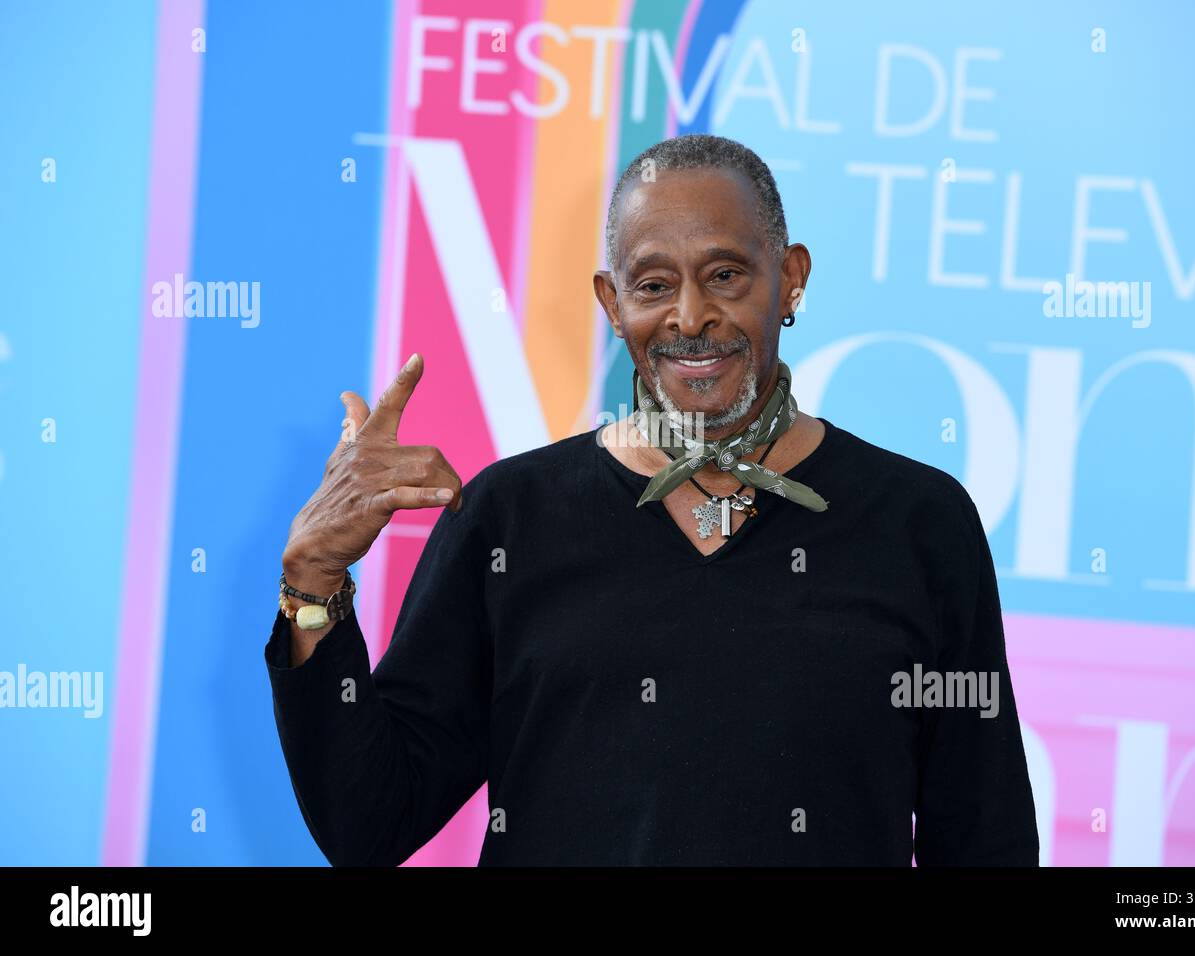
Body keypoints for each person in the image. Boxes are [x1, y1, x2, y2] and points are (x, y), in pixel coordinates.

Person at [266, 134, 1039, 866]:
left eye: (726, 275)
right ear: (612, 302)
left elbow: (983, 840)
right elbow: (369, 823)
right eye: (653, 284)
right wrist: (314, 584)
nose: (691, 317)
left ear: (791, 277)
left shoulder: (921, 524)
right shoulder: (508, 520)